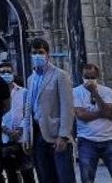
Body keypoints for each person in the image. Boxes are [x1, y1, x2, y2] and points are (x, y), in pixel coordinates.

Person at [23, 38, 74, 183]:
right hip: (37, 134)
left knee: (64, 178)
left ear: (47, 54)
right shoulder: (31, 79)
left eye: (41, 52)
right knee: (45, 177)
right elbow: (28, 108)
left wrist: (63, 135)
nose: (37, 55)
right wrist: (27, 135)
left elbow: (67, 107)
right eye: (34, 53)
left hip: (56, 134)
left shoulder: (60, 75)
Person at [73, 64, 112, 183]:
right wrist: (102, 113)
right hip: (87, 140)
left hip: (109, 140)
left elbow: (109, 113)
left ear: (97, 76)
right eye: (87, 77)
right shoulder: (76, 92)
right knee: (87, 179)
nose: (89, 80)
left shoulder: (107, 91)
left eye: (92, 77)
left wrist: (95, 93)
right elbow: (81, 116)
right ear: (82, 77)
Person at [0, 63, 34, 183]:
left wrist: (19, 130)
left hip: (22, 139)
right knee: (11, 175)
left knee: (28, 174)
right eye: (2, 72)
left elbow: (28, 113)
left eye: (8, 72)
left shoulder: (24, 92)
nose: (6, 74)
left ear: (13, 73)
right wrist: (7, 130)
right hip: (5, 139)